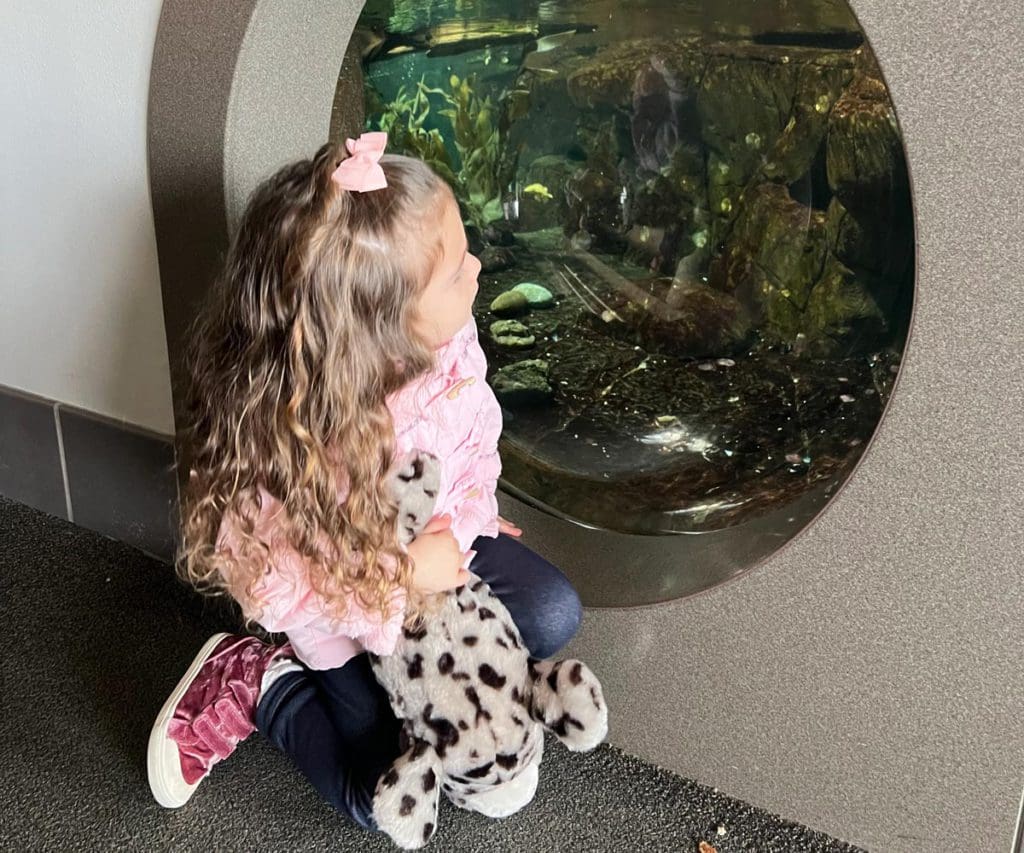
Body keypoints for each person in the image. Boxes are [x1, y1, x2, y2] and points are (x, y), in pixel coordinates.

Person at [146, 132, 583, 831]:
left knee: (552, 610)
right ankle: (261, 683)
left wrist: (473, 511)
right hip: (337, 614)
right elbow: (282, 582)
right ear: (383, 328)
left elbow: (472, 436)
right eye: (453, 271)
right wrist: (404, 573)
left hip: (438, 557)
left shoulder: (447, 339)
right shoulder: (286, 438)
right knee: (375, 798)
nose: (476, 266)